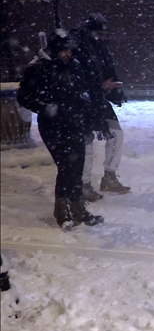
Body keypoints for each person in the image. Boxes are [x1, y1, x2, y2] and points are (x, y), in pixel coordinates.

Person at [17, 29, 103, 228]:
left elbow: (84, 89)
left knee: (77, 165)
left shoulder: (74, 66)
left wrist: (85, 106)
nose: (68, 54)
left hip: (74, 122)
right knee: (66, 165)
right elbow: (24, 97)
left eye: (70, 51)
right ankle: (61, 209)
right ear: (55, 49)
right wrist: (46, 108)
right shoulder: (38, 68)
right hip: (53, 125)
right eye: (64, 51)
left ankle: (77, 207)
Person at [74, 13, 130, 199]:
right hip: (84, 101)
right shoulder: (79, 50)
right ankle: (84, 184)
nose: (103, 38)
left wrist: (113, 89)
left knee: (116, 134)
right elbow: (78, 79)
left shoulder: (100, 48)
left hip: (99, 100)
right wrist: (99, 85)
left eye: (105, 34)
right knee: (87, 142)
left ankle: (109, 176)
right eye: (99, 33)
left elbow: (106, 70)